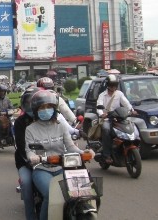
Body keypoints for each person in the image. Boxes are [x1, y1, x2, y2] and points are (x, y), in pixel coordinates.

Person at [24, 90, 86, 220]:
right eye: (42, 107)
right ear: (36, 110)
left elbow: (70, 146)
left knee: (80, 192)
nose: (45, 110)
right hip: (42, 169)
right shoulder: (30, 129)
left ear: (54, 109)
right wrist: (32, 157)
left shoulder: (61, 126)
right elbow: (29, 150)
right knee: (51, 194)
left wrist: (83, 153)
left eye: (49, 107)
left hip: (62, 167)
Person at [14, 86, 42, 220]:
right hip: (26, 161)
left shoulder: (51, 118)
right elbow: (20, 145)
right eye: (28, 102)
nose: (31, 105)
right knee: (26, 183)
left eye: (34, 102)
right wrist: (30, 158)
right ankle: (31, 216)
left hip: (50, 159)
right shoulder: (20, 122)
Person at [97, 74, 138, 164]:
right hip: (107, 119)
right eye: (111, 84)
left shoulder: (119, 94)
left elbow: (126, 103)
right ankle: (107, 155)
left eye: (115, 85)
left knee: (130, 126)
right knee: (106, 129)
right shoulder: (102, 95)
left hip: (118, 117)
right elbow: (98, 107)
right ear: (108, 85)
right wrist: (102, 114)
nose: (113, 87)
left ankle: (128, 146)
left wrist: (132, 110)